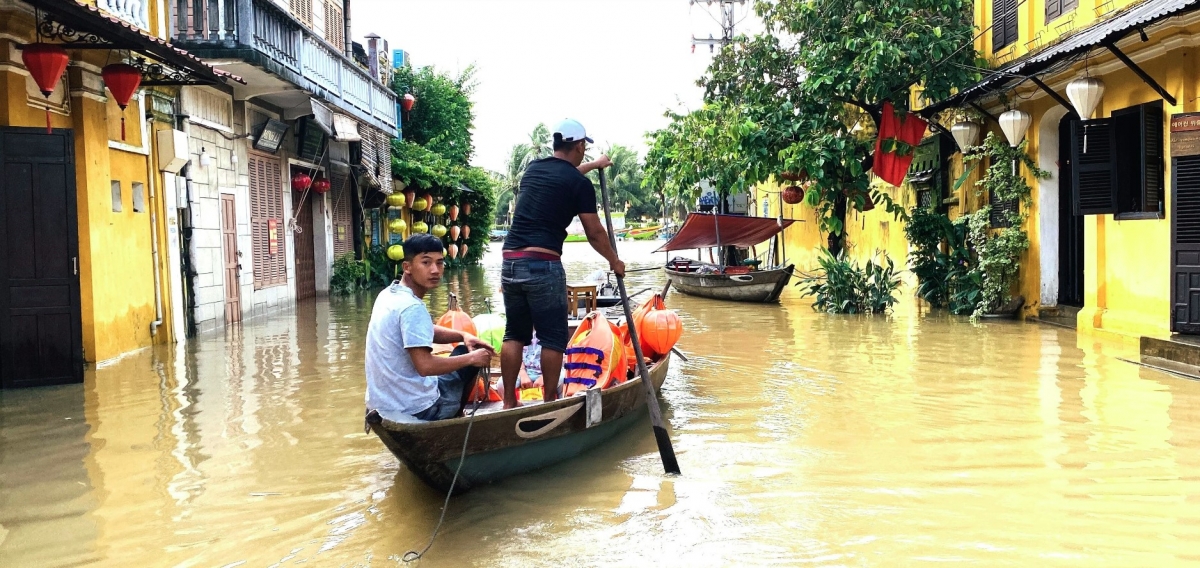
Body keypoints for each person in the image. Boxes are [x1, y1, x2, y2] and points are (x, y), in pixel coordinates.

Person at [500, 118, 625, 408]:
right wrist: (614, 261)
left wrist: (594, 166)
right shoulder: (578, 185)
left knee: (514, 333)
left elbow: (567, 175)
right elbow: (594, 233)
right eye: (585, 149)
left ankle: (509, 402)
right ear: (580, 146)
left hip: (510, 261)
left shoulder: (534, 170)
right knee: (554, 338)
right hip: (542, 263)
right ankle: (549, 402)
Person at [365, 234, 495, 421]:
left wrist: (463, 334)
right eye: (426, 263)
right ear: (407, 267)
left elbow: (421, 329)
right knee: (471, 355)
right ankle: (454, 417)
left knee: (464, 347)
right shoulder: (412, 307)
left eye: (440, 263)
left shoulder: (389, 294)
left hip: (384, 403)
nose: (435, 270)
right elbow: (425, 366)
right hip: (420, 408)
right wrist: (472, 358)